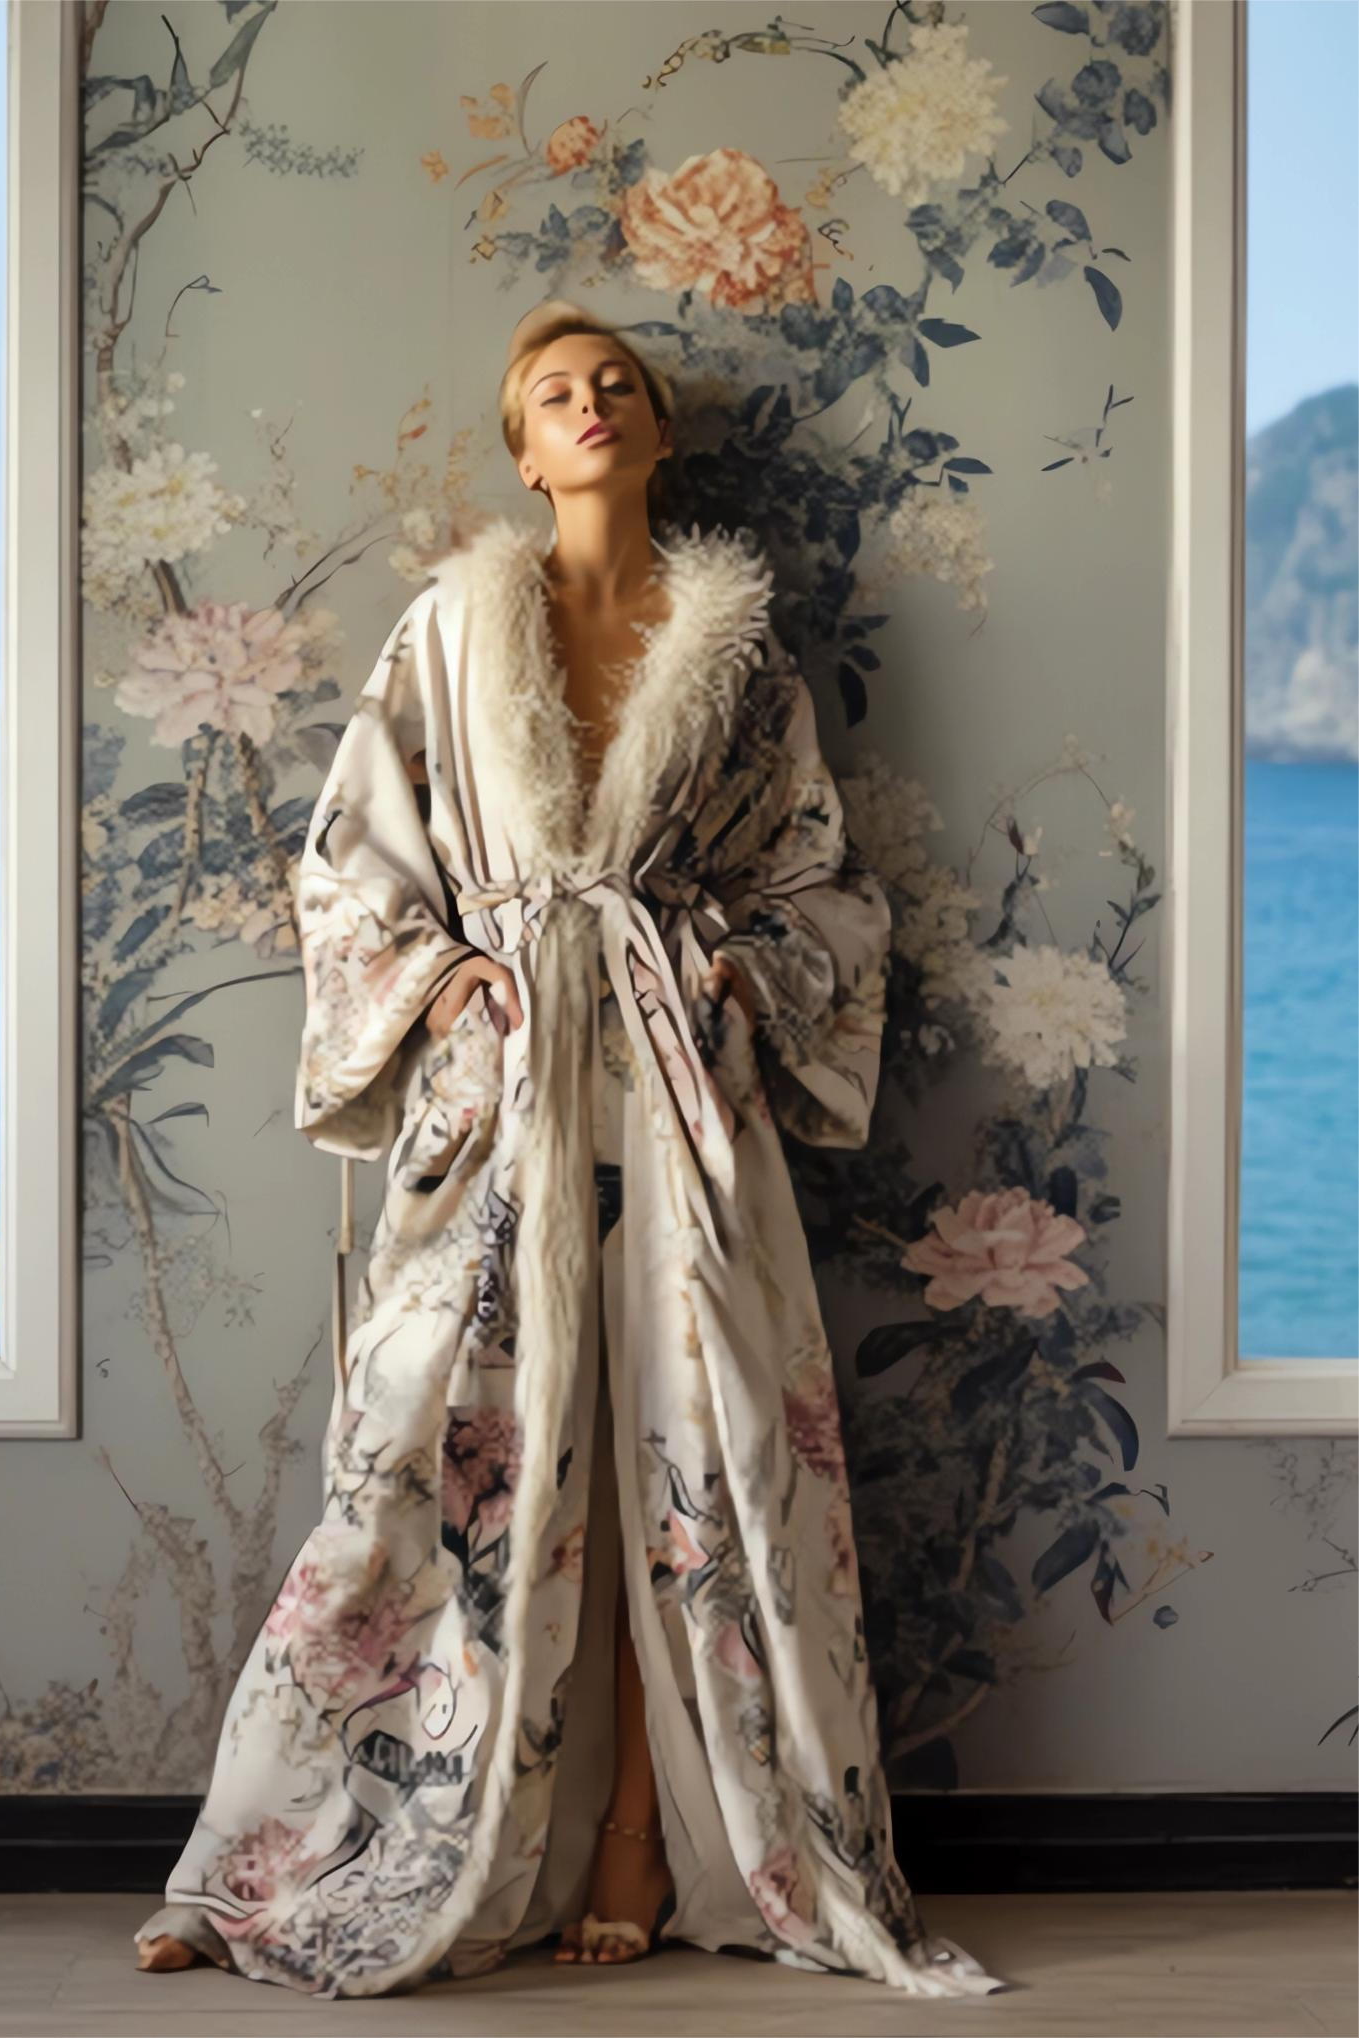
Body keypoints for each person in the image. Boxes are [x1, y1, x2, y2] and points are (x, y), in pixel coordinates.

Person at [133, 300, 1008, 2000]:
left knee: (692, 1447)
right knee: (420, 1451)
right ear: (525, 452)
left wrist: (738, 972)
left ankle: (636, 1837)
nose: (592, 403)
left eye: (619, 385)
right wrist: (442, 976)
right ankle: (259, 1858)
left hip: (678, 1087)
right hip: (505, 1083)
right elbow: (346, 855)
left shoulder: (738, 654)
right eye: (555, 392)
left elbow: (824, 881)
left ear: (658, 432)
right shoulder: (454, 627)